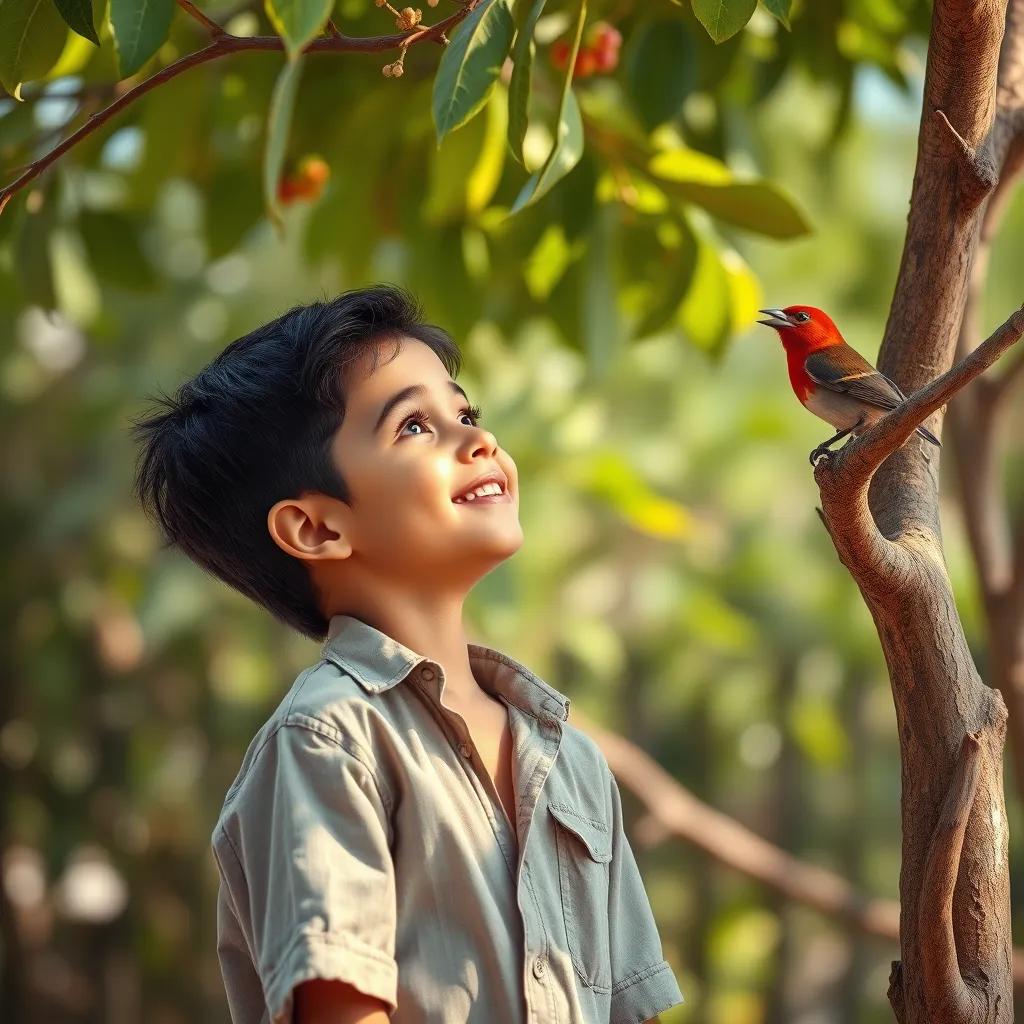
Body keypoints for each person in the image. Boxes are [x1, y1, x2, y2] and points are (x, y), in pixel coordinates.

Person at [130, 284, 685, 1023]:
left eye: (466, 413)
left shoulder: (571, 760)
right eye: (415, 426)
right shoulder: (329, 741)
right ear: (317, 529)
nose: (478, 440)